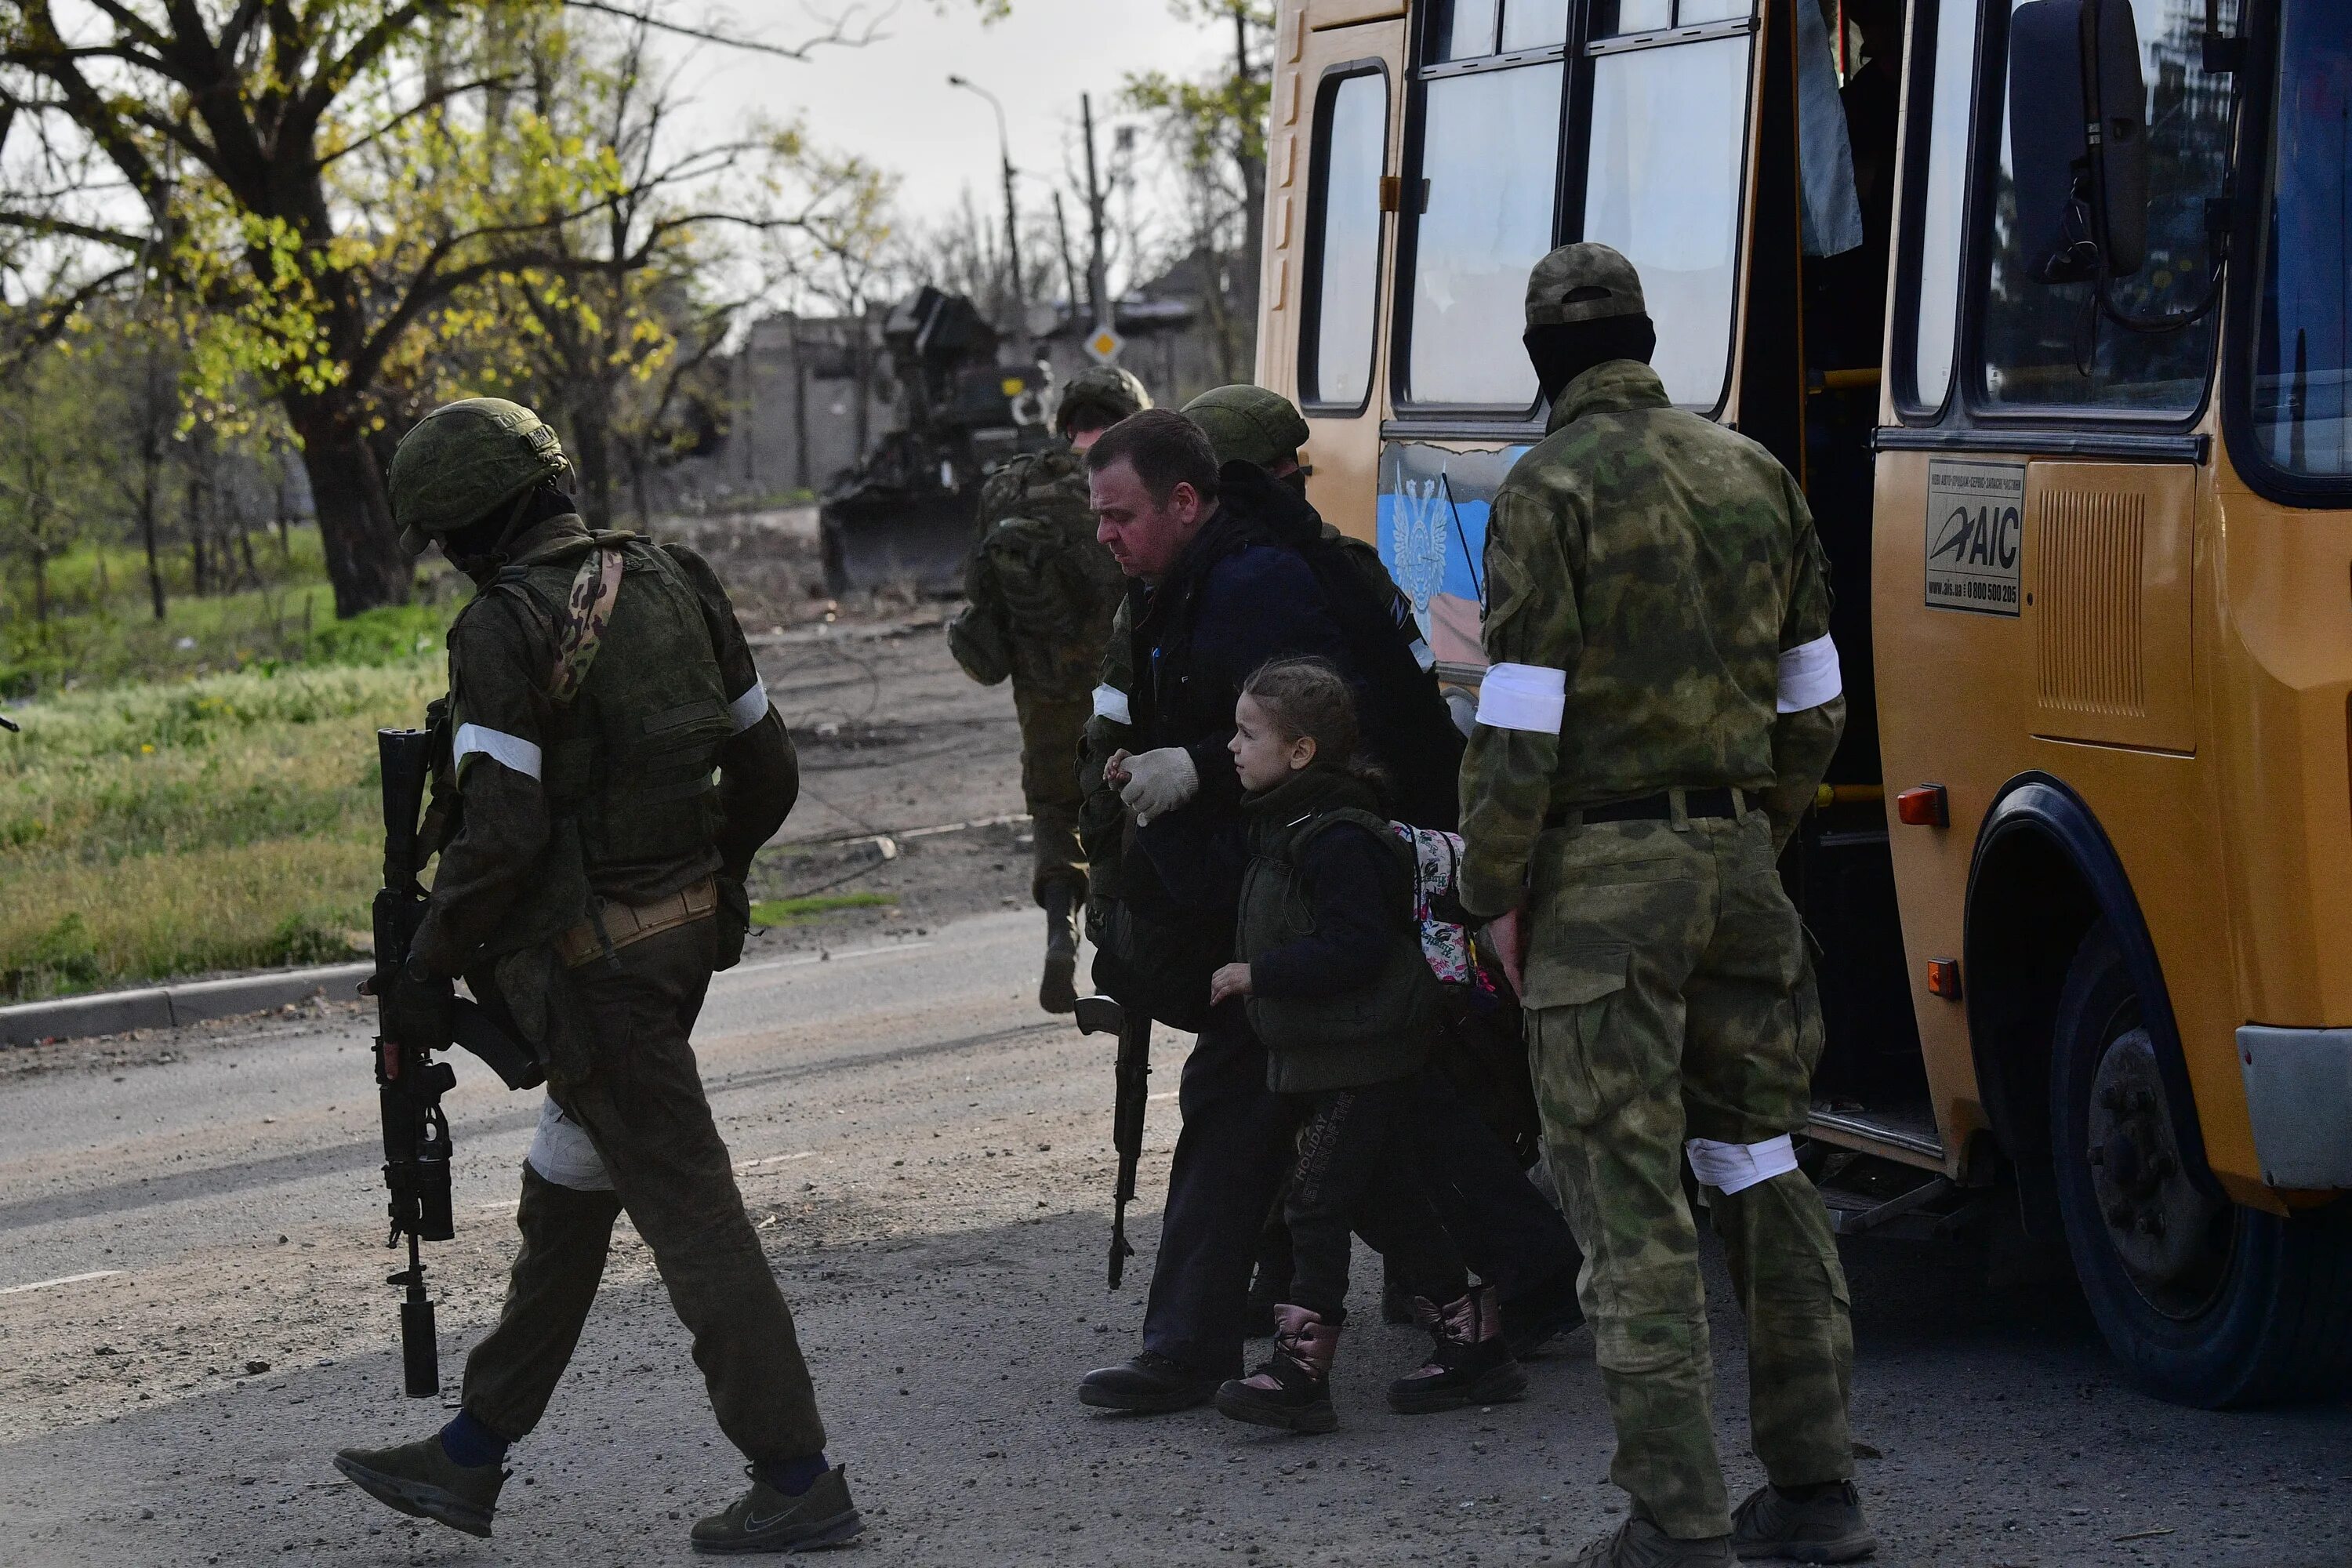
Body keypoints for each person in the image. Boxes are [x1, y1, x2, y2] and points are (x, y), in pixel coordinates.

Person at [332, 397, 861, 1555]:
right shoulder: (677, 578)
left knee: (693, 1216)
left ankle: (798, 1477)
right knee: (567, 1203)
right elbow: (766, 774)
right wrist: (704, 882)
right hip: (672, 946)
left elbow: (503, 835)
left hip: (589, 973)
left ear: (470, 530)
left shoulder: (499, 628)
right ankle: (469, 1455)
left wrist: (428, 971)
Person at [1455, 247, 1868, 1567]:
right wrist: (1751, 835)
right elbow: (1817, 706)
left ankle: (1676, 1523)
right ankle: (1815, 1497)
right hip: (1742, 873)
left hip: (1599, 893)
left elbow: (1520, 721)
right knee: (1761, 1169)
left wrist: (1490, 888)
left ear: (1543, 364)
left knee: (1627, 1201)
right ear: (1645, 337)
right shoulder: (1758, 474)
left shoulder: (1546, 492)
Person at [1177, 384, 1588, 1356]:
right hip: (1386, 840)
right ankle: (1474, 1282)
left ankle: (1463, 1288)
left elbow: (1317, 724)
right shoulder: (1326, 565)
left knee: (1388, 1104)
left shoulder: (1277, 578)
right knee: (1396, 1106)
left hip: (1365, 855)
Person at [1073, 410, 1363, 1414]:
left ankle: (1186, 1346)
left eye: (1121, 516)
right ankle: (1523, 1277)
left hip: (1300, 887)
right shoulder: (1183, 585)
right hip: (1259, 884)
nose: (1104, 535)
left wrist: (1190, 767)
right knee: (1379, 1108)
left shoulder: (1250, 584)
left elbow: (1313, 734)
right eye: (1098, 516)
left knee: (1238, 1092)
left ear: (1185, 503)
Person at [1207, 657, 1524, 1433]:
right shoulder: (1288, 827)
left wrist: (1261, 973)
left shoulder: (1339, 839)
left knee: (1314, 1198)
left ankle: (1301, 1371)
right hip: (1333, 1053)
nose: (1231, 747)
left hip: (1364, 1055)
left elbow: (1357, 948)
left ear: (1303, 751)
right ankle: (1472, 1344)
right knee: (1390, 1199)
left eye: (1249, 733)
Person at [948, 365, 1150, 1013]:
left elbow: (981, 595)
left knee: (1055, 812)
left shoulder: (1008, 488)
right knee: (1128, 809)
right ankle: (1120, 963)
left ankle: (1059, 929)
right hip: (1129, 684)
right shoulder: (1134, 483)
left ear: (1065, 423)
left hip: (1044, 694)